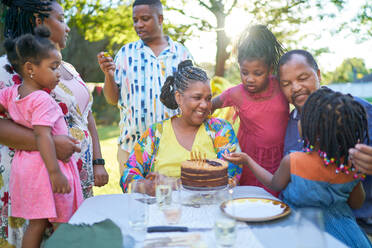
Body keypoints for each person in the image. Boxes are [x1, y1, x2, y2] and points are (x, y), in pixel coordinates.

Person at [0, 0, 108, 246]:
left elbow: (86, 114)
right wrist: (49, 144)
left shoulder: (65, 67)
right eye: (61, 19)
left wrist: (97, 160)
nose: (67, 27)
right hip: (41, 177)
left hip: (71, 177)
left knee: (71, 237)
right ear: (39, 22)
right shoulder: (8, 68)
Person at [223, 88, 372, 248]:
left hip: (300, 229)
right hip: (346, 234)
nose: (299, 121)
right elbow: (356, 203)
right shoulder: (349, 167)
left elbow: (274, 184)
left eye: (303, 118)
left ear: (313, 130)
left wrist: (248, 161)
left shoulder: (294, 161)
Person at [0, 27, 84, 248]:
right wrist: (56, 173)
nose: (58, 73)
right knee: (63, 224)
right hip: (48, 170)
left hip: (27, 169)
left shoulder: (13, 93)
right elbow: (42, 135)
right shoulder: (42, 100)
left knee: (36, 225)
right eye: (54, 67)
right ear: (30, 69)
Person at [277, 49, 372, 234]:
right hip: (301, 226)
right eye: (286, 83)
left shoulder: (358, 111)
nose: (295, 87)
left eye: (303, 77)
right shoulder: (288, 123)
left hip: (357, 223)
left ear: (318, 74)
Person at [97, 0, 192, 176]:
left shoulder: (182, 54)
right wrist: (109, 75)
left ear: (160, 18)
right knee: (134, 202)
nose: (138, 24)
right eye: (135, 20)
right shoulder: (125, 54)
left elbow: (191, 99)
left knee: (172, 201)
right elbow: (112, 99)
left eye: (145, 19)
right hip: (132, 150)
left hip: (173, 149)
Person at [119, 60, 242, 195]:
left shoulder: (220, 130)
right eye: (197, 98)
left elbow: (230, 177)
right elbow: (128, 174)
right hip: (166, 212)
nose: (205, 105)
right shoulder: (156, 133)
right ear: (178, 97)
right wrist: (146, 185)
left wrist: (175, 184)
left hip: (210, 208)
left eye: (208, 98)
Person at [211, 25, 289, 196]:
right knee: (249, 200)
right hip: (248, 161)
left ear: (270, 69)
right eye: (244, 72)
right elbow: (208, 105)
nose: (250, 79)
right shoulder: (236, 93)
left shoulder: (282, 86)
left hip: (280, 159)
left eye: (258, 73)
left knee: (275, 203)